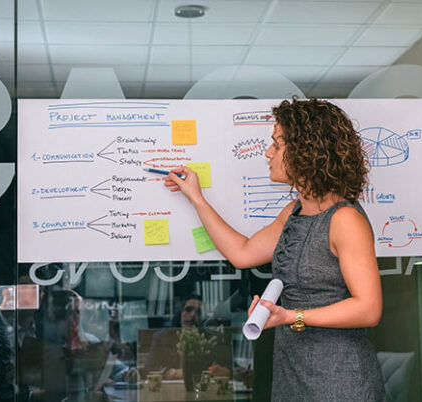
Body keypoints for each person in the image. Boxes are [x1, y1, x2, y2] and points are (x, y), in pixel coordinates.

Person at [164, 98, 386, 401]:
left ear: (307, 152)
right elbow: (242, 253)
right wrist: (197, 199)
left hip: (339, 381)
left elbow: (368, 309)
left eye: (277, 145)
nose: (268, 153)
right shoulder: (294, 211)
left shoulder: (344, 219)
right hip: (293, 374)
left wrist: (291, 316)